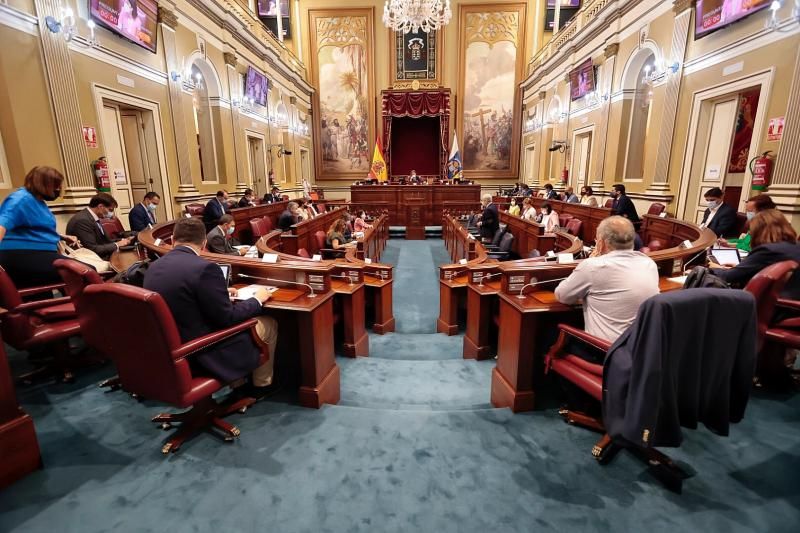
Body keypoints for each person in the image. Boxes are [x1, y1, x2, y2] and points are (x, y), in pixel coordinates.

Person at [144, 217, 279, 398]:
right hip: (203, 351)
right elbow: (227, 318)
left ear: (172, 239)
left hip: (169, 348)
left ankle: (238, 383)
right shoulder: (205, 269)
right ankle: (260, 387)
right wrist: (257, 300)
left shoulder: (153, 267)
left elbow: (184, 297)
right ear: (204, 243)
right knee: (268, 323)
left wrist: (219, 293)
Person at [555, 216, 659, 359]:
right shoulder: (649, 263)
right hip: (640, 350)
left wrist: (591, 260)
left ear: (602, 243)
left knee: (551, 335)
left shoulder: (593, 266)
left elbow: (562, 296)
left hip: (605, 352)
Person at [0, 166, 80, 287]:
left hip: (37, 254)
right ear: (43, 184)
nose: (58, 189)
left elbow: (34, 228)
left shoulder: (37, 201)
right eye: (56, 185)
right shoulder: (20, 199)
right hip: (23, 255)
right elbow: (2, 224)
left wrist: (62, 237)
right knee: (86, 272)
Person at [711, 209, 800, 298]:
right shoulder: (795, 246)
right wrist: (742, 268)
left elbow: (729, 277)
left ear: (758, 231)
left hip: (768, 304)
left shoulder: (767, 250)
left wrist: (709, 269)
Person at [66, 193, 133, 260]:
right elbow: (92, 249)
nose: (112, 214)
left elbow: (103, 241)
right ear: (101, 207)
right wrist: (117, 244)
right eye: (110, 210)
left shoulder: (91, 217)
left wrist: (123, 240)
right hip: (93, 260)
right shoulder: (83, 220)